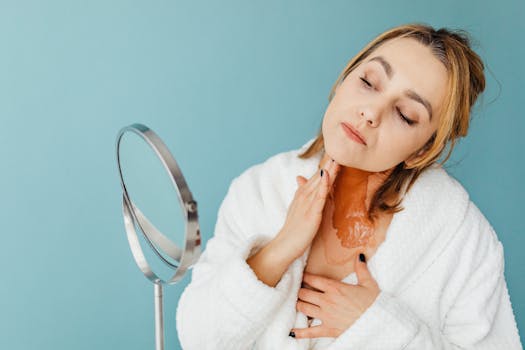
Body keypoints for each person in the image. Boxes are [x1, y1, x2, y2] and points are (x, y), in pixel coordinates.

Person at [176, 23, 523, 349]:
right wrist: (279, 249)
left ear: (422, 151)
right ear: (345, 79)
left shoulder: (459, 240)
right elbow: (199, 338)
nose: (371, 111)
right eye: (369, 82)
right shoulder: (258, 190)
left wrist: (383, 327)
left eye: (405, 114)